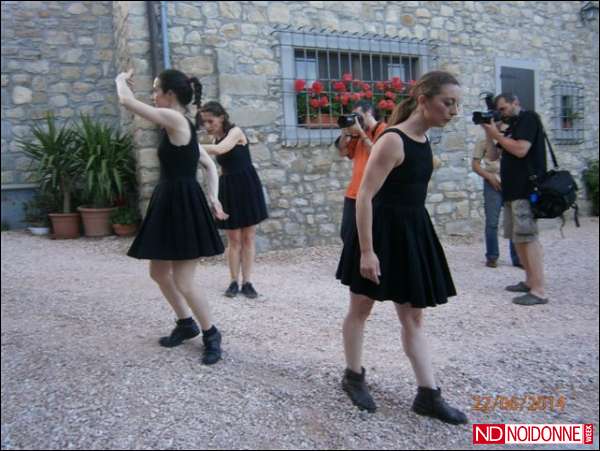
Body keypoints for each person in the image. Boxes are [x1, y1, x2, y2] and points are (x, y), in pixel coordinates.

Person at [336, 71, 468, 424]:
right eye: (448, 102)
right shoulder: (393, 140)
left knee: (413, 316)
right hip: (378, 234)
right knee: (360, 308)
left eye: (457, 104)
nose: (453, 111)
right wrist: (367, 251)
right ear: (424, 100)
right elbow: (364, 196)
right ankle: (353, 376)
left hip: (411, 234)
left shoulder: (424, 140)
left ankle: (428, 394)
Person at [116, 68, 227, 365]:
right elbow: (208, 164)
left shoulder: (176, 119)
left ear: (171, 94)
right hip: (170, 203)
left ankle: (211, 333)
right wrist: (213, 196)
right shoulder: (181, 126)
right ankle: (185, 323)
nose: (153, 95)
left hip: (182, 206)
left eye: (156, 90)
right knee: (158, 273)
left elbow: (127, 102)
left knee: (184, 280)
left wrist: (119, 81)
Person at [482, 93, 548, 306]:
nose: (501, 113)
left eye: (503, 108)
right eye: (499, 110)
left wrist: (498, 135)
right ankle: (529, 281)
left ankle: (539, 290)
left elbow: (521, 150)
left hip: (526, 189)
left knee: (528, 237)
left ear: (515, 103)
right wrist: (489, 134)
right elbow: (492, 156)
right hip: (511, 191)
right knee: (517, 237)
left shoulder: (529, 119)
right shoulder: (511, 125)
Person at [200, 102, 268, 300]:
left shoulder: (236, 132)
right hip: (228, 187)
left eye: (210, 121)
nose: (207, 125)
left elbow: (221, 149)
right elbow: (215, 168)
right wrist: (215, 197)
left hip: (247, 186)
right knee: (233, 239)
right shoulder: (214, 138)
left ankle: (247, 282)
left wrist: (189, 144)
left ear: (221, 117)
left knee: (248, 237)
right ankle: (232, 281)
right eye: (204, 122)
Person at [335, 100, 387, 244]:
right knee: (347, 234)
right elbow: (343, 151)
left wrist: (362, 133)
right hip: (353, 194)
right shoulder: (358, 134)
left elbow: (378, 156)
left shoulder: (384, 130)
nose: (355, 119)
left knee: (372, 237)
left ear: (368, 112)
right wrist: (345, 133)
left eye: (357, 115)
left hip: (373, 195)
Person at [471, 125, 521, 268]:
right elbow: (475, 165)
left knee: (513, 221)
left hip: (511, 184)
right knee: (492, 223)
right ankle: (492, 256)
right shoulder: (483, 140)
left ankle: (517, 257)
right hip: (492, 185)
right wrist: (489, 177)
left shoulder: (511, 137)